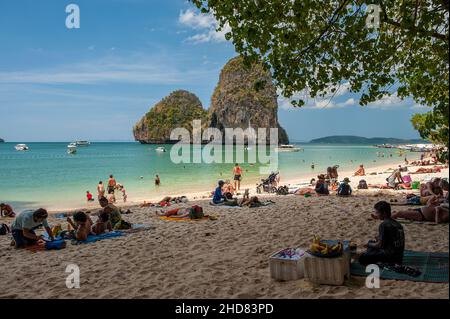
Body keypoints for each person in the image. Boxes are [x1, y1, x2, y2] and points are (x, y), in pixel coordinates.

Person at [359, 201, 405, 266]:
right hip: (399, 257)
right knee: (371, 242)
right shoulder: (397, 223)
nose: (376, 215)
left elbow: (379, 245)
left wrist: (369, 244)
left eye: (377, 213)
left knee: (362, 258)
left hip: (391, 258)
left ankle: (378, 261)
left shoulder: (384, 225)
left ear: (384, 213)